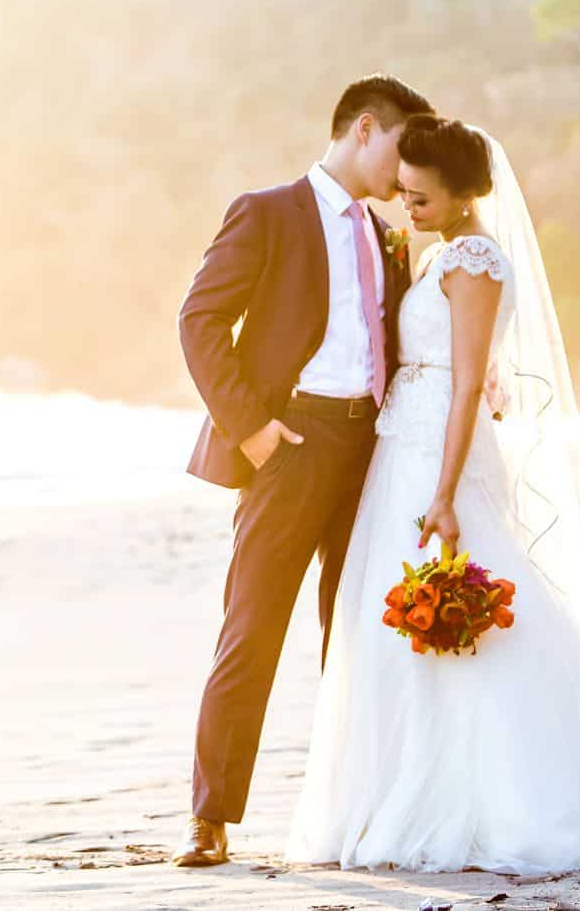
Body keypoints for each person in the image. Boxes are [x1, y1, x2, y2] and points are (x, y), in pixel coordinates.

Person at [284, 115, 580, 873]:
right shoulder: (443, 250)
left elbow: (469, 380)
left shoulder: (475, 258)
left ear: (462, 195)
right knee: (398, 620)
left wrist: (444, 493)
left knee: (469, 611)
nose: (405, 208)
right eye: (404, 194)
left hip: (436, 460)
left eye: (420, 198)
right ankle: (402, 786)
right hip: (405, 447)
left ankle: (508, 791)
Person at [173, 74, 434, 867]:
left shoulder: (390, 234)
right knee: (253, 627)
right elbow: (200, 319)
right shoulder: (268, 211)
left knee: (355, 633)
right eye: (401, 149)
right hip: (288, 445)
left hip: (370, 451)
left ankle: (348, 807)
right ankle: (210, 817)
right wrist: (252, 431)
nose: (406, 173)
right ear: (364, 129)